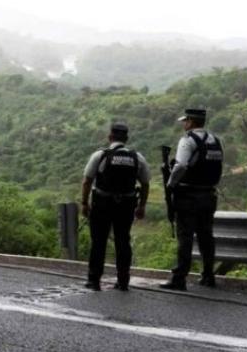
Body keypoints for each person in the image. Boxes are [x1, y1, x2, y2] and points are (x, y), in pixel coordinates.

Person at [80, 122, 150, 291]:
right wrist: (141, 206)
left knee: (99, 242)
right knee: (123, 241)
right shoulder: (137, 157)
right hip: (126, 205)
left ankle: (94, 280)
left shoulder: (100, 155)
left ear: (110, 137)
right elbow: (146, 184)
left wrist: (84, 203)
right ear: (126, 139)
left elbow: (87, 181)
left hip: (102, 204)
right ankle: (123, 281)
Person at [160, 109, 224, 291]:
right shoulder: (215, 141)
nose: (183, 124)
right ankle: (208, 275)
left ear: (190, 122)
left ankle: (179, 278)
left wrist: (171, 184)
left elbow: (180, 165)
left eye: (185, 121)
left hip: (188, 196)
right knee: (206, 236)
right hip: (209, 195)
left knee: (185, 236)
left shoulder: (187, 140)